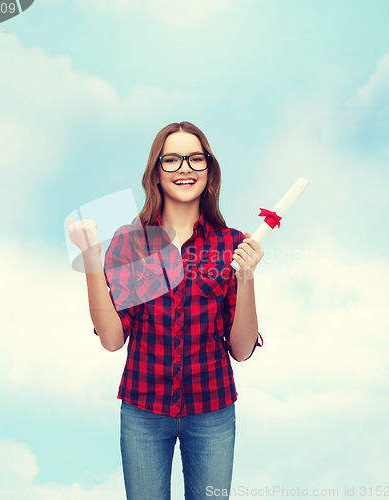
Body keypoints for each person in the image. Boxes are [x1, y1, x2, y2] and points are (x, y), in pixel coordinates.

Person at [67, 121, 264, 499]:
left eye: (195, 159)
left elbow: (240, 350)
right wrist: (91, 258)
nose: (185, 168)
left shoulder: (232, 244)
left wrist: (247, 278)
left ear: (210, 170)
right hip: (143, 411)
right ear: (156, 174)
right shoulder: (131, 242)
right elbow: (111, 340)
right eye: (171, 160)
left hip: (212, 412)